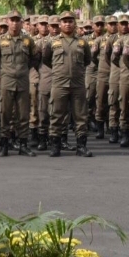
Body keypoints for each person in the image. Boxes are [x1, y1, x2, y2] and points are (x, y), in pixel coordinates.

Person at [42, 11, 93, 158]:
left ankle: (81, 146)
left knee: (81, 116)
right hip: (59, 83)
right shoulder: (52, 42)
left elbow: (87, 60)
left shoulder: (82, 42)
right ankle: (55, 146)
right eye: (64, 21)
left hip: (77, 84)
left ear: (74, 23)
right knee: (56, 115)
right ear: (60, 24)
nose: (67, 23)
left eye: (70, 21)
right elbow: (47, 60)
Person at [0, 11, 40, 157]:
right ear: (7, 21)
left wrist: (25, 69)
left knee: (23, 114)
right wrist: (3, 70)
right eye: (12, 20)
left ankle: (23, 144)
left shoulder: (28, 40)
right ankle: (4, 144)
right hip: (6, 81)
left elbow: (36, 57)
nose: (15, 23)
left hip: (23, 81)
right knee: (5, 113)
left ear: (21, 22)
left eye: (18, 20)